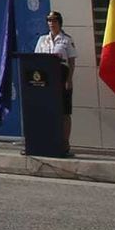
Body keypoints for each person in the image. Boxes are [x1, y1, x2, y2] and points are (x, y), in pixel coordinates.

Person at [35, 11, 78, 151]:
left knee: (64, 112)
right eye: (49, 21)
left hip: (61, 77)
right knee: (47, 110)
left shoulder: (66, 39)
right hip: (46, 79)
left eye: (54, 21)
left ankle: (65, 143)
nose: (51, 23)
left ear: (59, 22)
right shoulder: (42, 40)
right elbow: (36, 60)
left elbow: (71, 62)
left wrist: (69, 80)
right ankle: (48, 139)